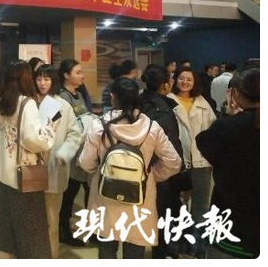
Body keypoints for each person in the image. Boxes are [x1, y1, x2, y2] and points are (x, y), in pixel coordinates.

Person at [79, 77, 181, 259]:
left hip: (105, 198)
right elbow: (174, 162)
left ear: (113, 97)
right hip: (140, 199)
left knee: (106, 248)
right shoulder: (151, 127)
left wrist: (100, 170)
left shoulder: (99, 125)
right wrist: (152, 175)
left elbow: (86, 162)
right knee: (135, 251)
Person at [0, 60, 55, 259]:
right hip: (24, 178)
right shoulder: (27, 104)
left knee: (7, 224)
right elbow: (33, 140)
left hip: (4, 175)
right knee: (30, 229)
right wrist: (49, 129)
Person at [196, 67, 259, 259]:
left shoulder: (226, 127)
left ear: (236, 93)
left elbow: (204, 144)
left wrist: (229, 116)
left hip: (231, 220)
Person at [34, 64, 81, 259]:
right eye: (39, 79)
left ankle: (50, 256)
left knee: (51, 217)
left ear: (53, 81)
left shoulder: (63, 105)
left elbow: (75, 134)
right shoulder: (29, 103)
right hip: (32, 166)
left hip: (54, 165)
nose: (42, 83)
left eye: (46, 79)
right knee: (34, 216)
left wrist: (64, 153)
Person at [140, 64, 184, 259]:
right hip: (160, 173)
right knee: (163, 215)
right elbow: (171, 146)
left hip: (136, 170)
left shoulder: (137, 103)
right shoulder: (164, 110)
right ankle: (160, 253)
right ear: (164, 85)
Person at [167, 67, 216, 235]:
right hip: (177, 160)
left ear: (195, 82)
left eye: (189, 79)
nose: (185, 82)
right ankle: (178, 238)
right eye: (181, 78)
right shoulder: (168, 101)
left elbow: (212, 129)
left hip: (201, 160)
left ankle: (198, 240)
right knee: (177, 201)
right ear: (175, 80)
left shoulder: (203, 103)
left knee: (201, 202)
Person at [57, 59, 96, 247]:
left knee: (90, 191)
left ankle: (93, 230)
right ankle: (64, 230)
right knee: (69, 194)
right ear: (66, 75)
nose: (82, 76)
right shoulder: (61, 98)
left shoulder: (79, 95)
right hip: (71, 154)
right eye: (78, 72)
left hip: (85, 151)